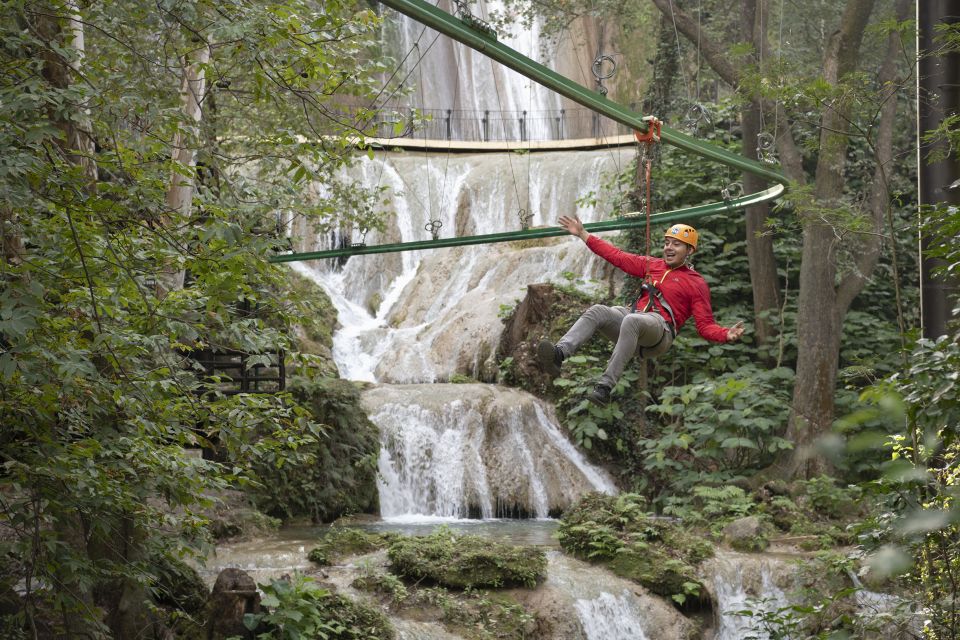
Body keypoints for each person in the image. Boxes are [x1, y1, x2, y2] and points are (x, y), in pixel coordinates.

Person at [537, 215, 745, 405]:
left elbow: (705, 325)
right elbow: (616, 256)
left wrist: (725, 334)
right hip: (634, 320)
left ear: (689, 251)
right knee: (598, 310)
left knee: (632, 320)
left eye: (676, 244)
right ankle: (559, 354)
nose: (669, 248)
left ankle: (604, 388)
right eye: (667, 243)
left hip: (659, 333)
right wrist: (583, 234)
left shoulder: (696, 283)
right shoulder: (652, 265)